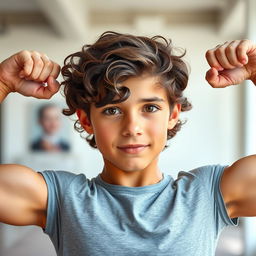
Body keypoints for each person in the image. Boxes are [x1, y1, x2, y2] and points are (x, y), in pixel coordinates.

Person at [0, 32, 256, 256]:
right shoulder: (63, 199)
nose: (132, 128)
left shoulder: (207, 195)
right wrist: (2, 82)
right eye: (112, 110)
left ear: (173, 115)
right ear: (87, 121)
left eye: (150, 107)